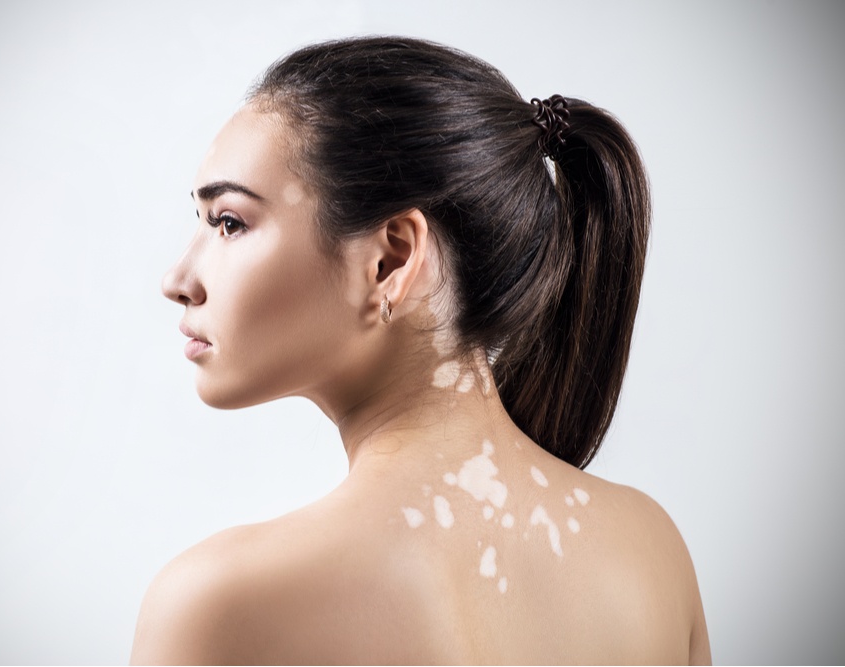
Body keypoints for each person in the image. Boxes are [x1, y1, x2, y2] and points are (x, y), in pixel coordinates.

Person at [131, 36, 710, 665]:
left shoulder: (219, 604)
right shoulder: (651, 551)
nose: (177, 280)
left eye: (229, 223)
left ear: (390, 258)